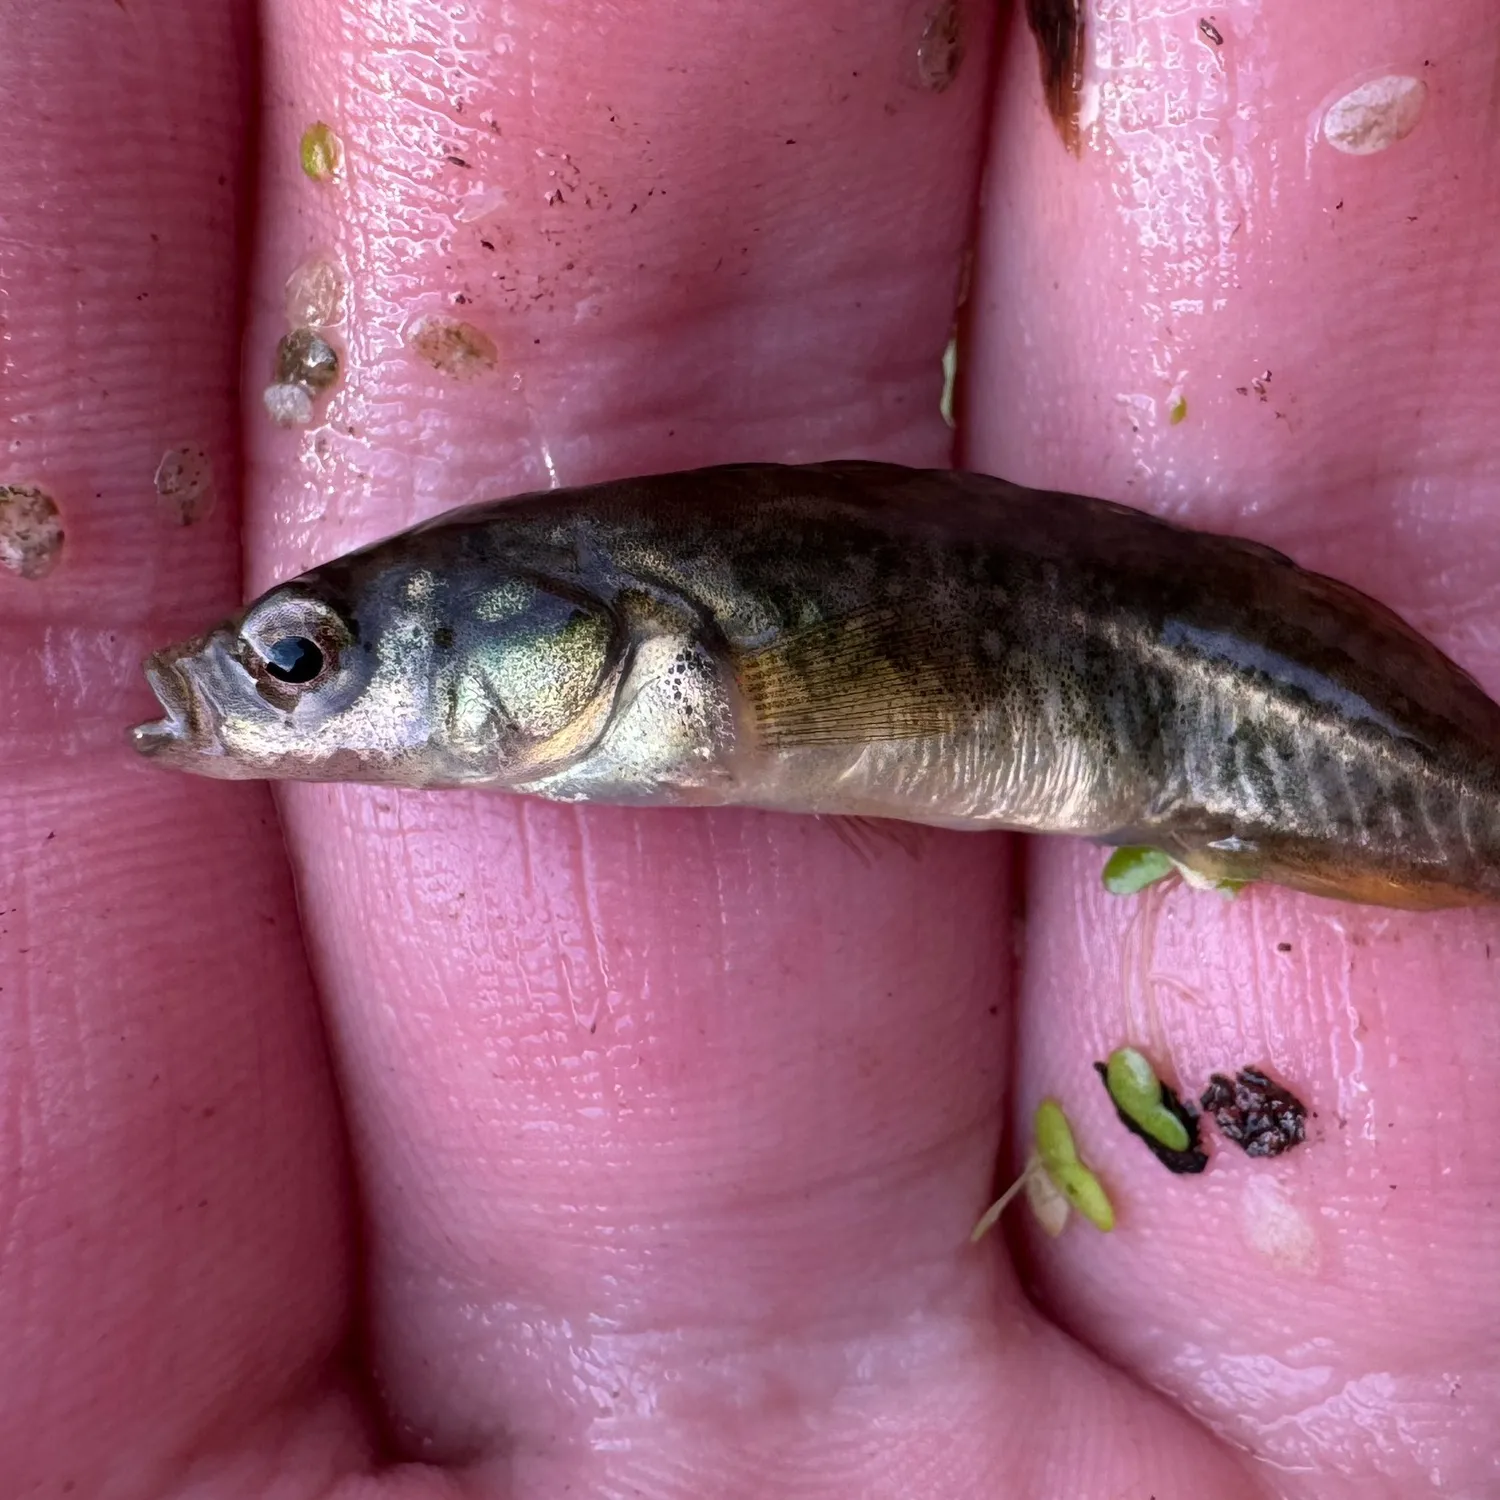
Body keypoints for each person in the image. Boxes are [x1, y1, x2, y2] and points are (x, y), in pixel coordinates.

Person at [2, 2, 1494, 1495]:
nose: (264, 691)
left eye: (300, 662)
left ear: (571, 631)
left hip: (1193, 709)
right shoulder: (625, 640)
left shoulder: (678, 645)